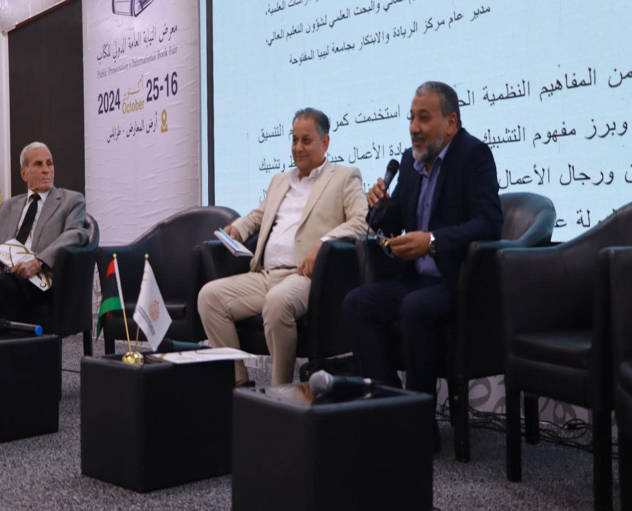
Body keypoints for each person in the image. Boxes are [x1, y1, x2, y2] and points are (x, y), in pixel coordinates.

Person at [343, 82, 503, 442]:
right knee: (357, 304)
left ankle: (419, 429)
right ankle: (393, 411)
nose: (414, 127)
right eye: (412, 118)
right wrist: (379, 207)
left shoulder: (474, 155)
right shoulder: (410, 161)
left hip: (458, 281)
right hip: (417, 280)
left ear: (451, 123)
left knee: (416, 306)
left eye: (424, 118)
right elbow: (392, 219)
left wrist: (432, 242)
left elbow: (489, 224)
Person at [198, 108, 368, 386]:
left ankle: (280, 391)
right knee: (209, 297)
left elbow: (362, 222)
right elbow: (257, 216)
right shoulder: (280, 180)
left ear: (325, 142)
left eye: (306, 140)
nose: (298, 148)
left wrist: (323, 244)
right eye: (294, 140)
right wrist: (238, 229)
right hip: (265, 276)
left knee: (277, 303)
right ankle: (238, 383)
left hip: (305, 276)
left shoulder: (345, 177)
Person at [0, 142, 88, 320]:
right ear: (24, 173)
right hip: (7, 274)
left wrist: (37, 262)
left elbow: (76, 234)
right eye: (38, 164)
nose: (46, 170)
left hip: (40, 280)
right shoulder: (8, 206)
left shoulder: (71, 201)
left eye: (49, 163)